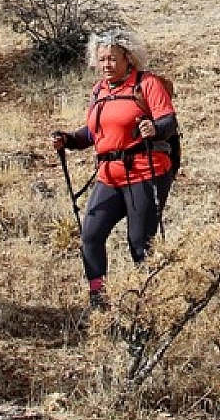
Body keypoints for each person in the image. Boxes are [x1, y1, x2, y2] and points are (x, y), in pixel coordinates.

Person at [50, 29, 177, 311]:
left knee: (139, 244)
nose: (106, 64)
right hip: (109, 175)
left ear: (128, 59)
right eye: (102, 59)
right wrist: (69, 140)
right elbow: (94, 134)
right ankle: (99, 300)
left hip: (146, 172)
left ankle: (151, 303)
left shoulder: (148, 84)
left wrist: (154, 128)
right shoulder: (100, 91)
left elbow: (169, 123)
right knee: (91, 236)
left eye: (112, 59)